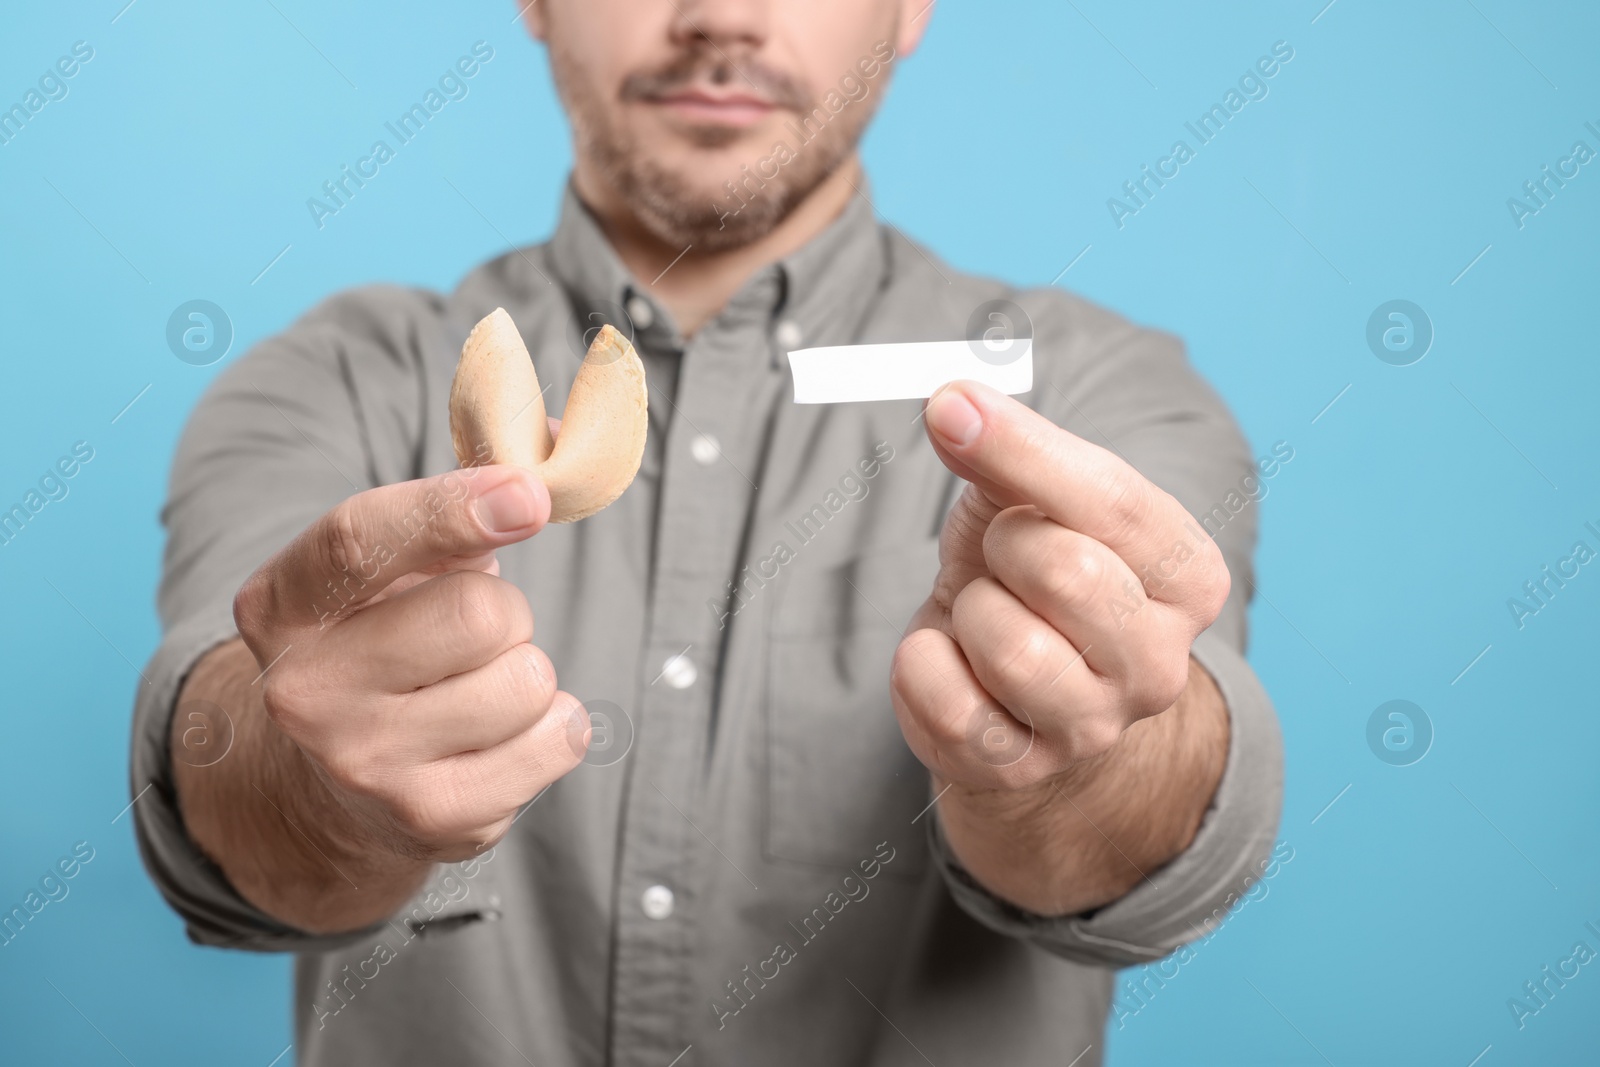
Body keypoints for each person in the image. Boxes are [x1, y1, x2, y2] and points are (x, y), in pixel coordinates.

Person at [131, 1, 1283, 1063]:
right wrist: (319, 782)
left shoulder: (1092, 392)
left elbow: (1158, 814)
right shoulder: (331, 384)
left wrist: (1063, 754)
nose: (720, 16)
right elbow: (220, 778)